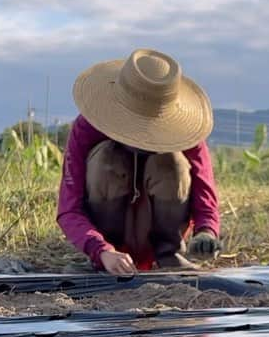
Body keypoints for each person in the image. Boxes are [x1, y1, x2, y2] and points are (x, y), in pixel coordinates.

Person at [57, 48, 222, 276]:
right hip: (108, 247)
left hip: (159, 235)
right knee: (106, 156)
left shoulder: (186, 135)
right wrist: (100, 250)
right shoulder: (87, 129)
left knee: (171, 160)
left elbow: (205, 194)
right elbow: (69, 209)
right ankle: (105, 259)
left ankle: (169, 254)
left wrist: (207, 232)